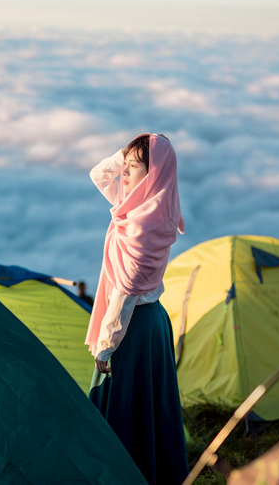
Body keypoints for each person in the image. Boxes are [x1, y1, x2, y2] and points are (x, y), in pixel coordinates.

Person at [85, 133, 189, 485]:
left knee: (124, 404)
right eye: (125, 167)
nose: (124, 175)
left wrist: (106, 343)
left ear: (155, 174)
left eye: (133, 169)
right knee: (148, 406)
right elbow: (99, 175)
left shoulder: (144, 223)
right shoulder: (141, 205)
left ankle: (124, 474)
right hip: (148, 322)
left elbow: (125, 293)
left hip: (133, 325)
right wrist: (129, 155)